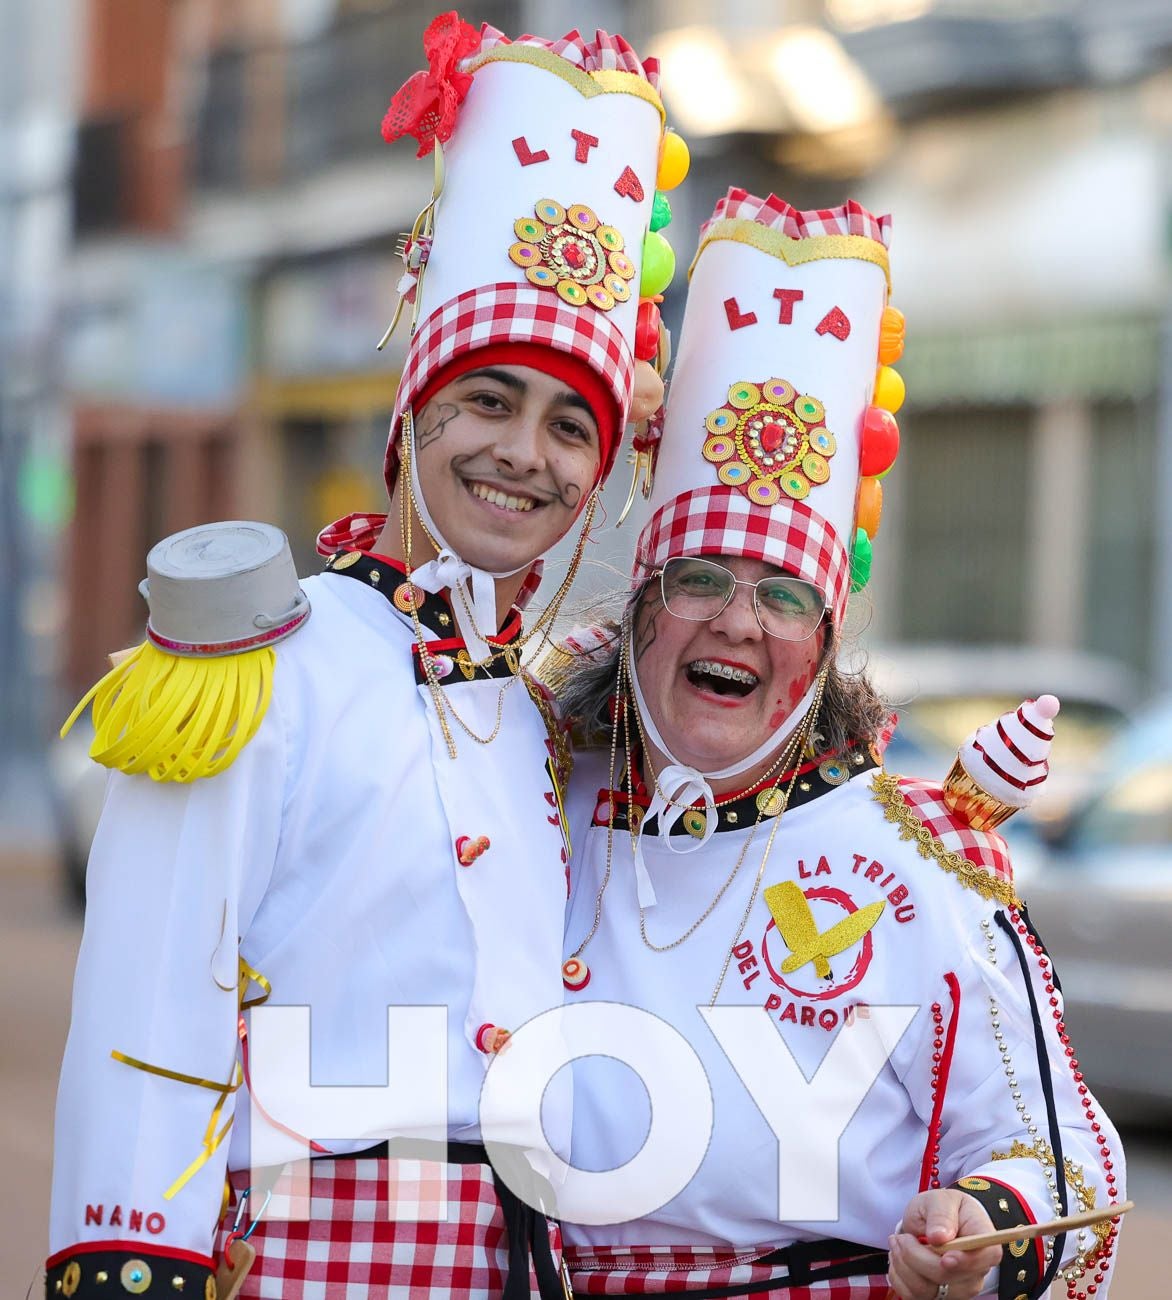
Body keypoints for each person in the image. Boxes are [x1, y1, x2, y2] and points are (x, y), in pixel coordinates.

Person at [45, 13, 682, 1299]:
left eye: (571, 426)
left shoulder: (547, 715)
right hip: (306, 1257)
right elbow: (149, 997)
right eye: (489, 400)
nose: (525, 453)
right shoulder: (256, 669)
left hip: (516, 1257)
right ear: (411, 410)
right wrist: (132, 1260)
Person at [551, 191, 1125, 1300]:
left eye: (779, 596)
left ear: (821, 644)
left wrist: (980, 1224)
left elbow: (1064, 1163)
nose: (734, 622)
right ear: (638, 613)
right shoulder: (532, 805)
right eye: (699, 581)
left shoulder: (916, 863)